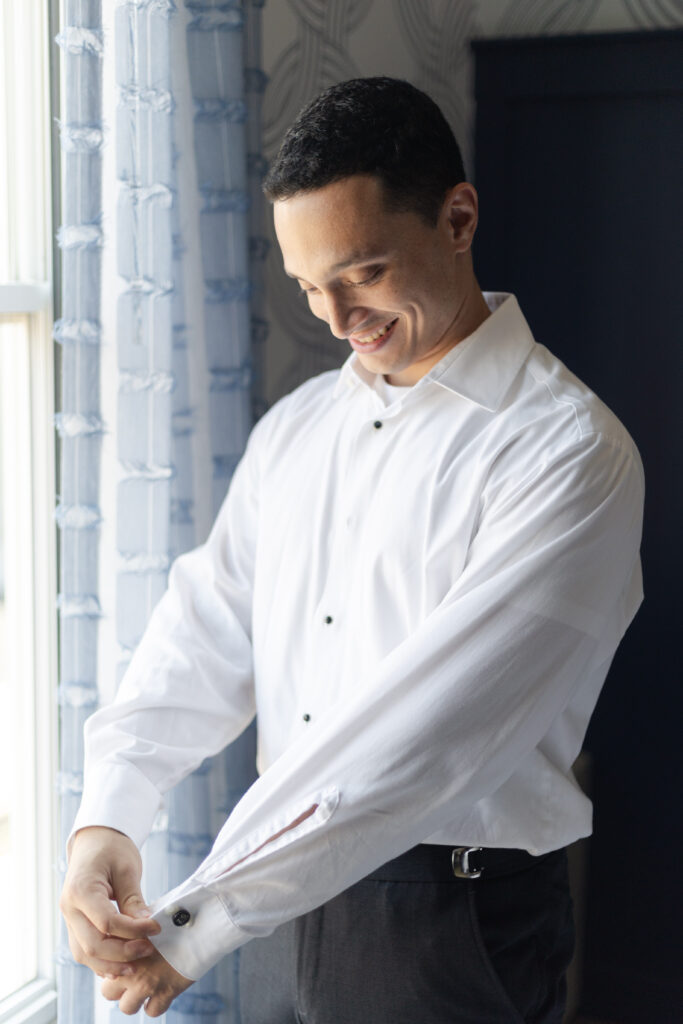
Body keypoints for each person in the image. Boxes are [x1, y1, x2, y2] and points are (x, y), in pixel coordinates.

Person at [60, 77, 644, 1022]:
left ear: (458, 218)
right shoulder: (298, 427)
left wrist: (199, 921)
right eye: (307, 285)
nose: (334, 318)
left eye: (362, 272)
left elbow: (423, 735)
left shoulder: (569, 454)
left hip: (449, 919)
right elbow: (203, 629)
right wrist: (107, 820)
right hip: (291, 899)